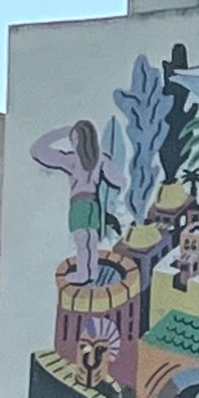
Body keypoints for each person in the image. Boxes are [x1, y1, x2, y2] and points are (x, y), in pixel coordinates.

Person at [30, 120, 125, 284]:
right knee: (91, 240)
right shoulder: (100, 159)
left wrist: (61, 131)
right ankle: (92, 272)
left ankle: (82, 273)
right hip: (93, 204)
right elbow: (119, 180)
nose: (72, 143)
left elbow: (37, 150)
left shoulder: (72, 160)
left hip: (79, 204)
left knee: (82, 240)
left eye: (74, 139)